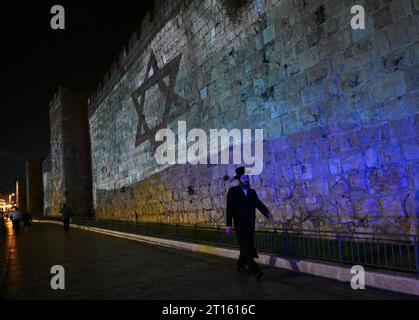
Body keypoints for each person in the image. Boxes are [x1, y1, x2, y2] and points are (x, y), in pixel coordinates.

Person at [226, 166, 273, 280]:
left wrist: (267, 213)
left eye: (247, 177)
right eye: (243, 178)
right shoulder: (233, 192)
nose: (246, 179)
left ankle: (240, 265)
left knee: (246, 247)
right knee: (246, 247)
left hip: (250, 224)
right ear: (239, 179)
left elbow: (258, 204)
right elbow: (229, 209)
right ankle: (255, 270)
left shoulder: (252, 192)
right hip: (240, 225)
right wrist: (228, 225)